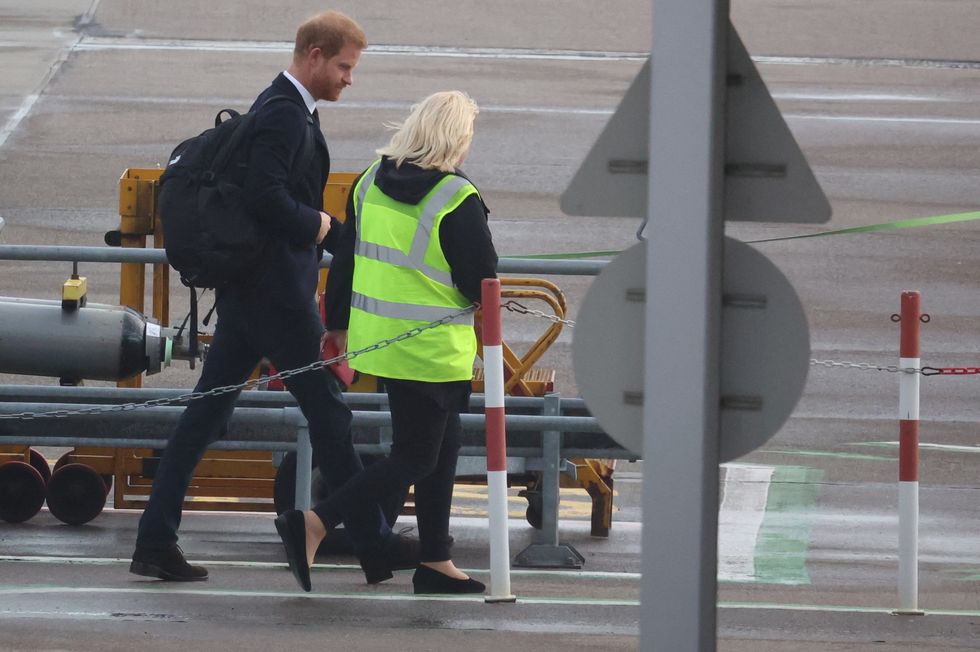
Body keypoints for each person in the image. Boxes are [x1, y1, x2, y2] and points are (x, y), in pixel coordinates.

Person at [130, 10, 416, 584]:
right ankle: (373, 542)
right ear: (313, 55)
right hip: (277, 298)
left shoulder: (279, 107)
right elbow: (267, 198)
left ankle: (155, 541)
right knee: (330, 415)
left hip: (250, 295)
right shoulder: (284, 115)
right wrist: (328, 230)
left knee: (207, 416)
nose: (348, 79)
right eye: (343, 66)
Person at [274, 90, 498, 594]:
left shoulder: (368, 181)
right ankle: (315, 521)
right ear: (455, 138)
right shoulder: (456, 196)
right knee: (416, 455)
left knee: (443, 448)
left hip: (383, 343)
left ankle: (435, 560)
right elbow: (480, 278)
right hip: (431, 346)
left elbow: (347, 258)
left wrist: (334, 324)